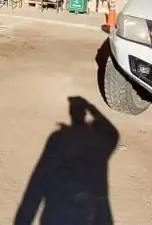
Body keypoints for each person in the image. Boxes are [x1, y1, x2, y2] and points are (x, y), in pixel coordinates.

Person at [14, 96, 120, 225]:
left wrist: (23, 220)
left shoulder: (58, 139)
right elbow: (113, 132)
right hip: (92, 214)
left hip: (57, 214)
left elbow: (38, 180)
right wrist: (91, 108)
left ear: (71, 114)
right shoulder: (99, 141)